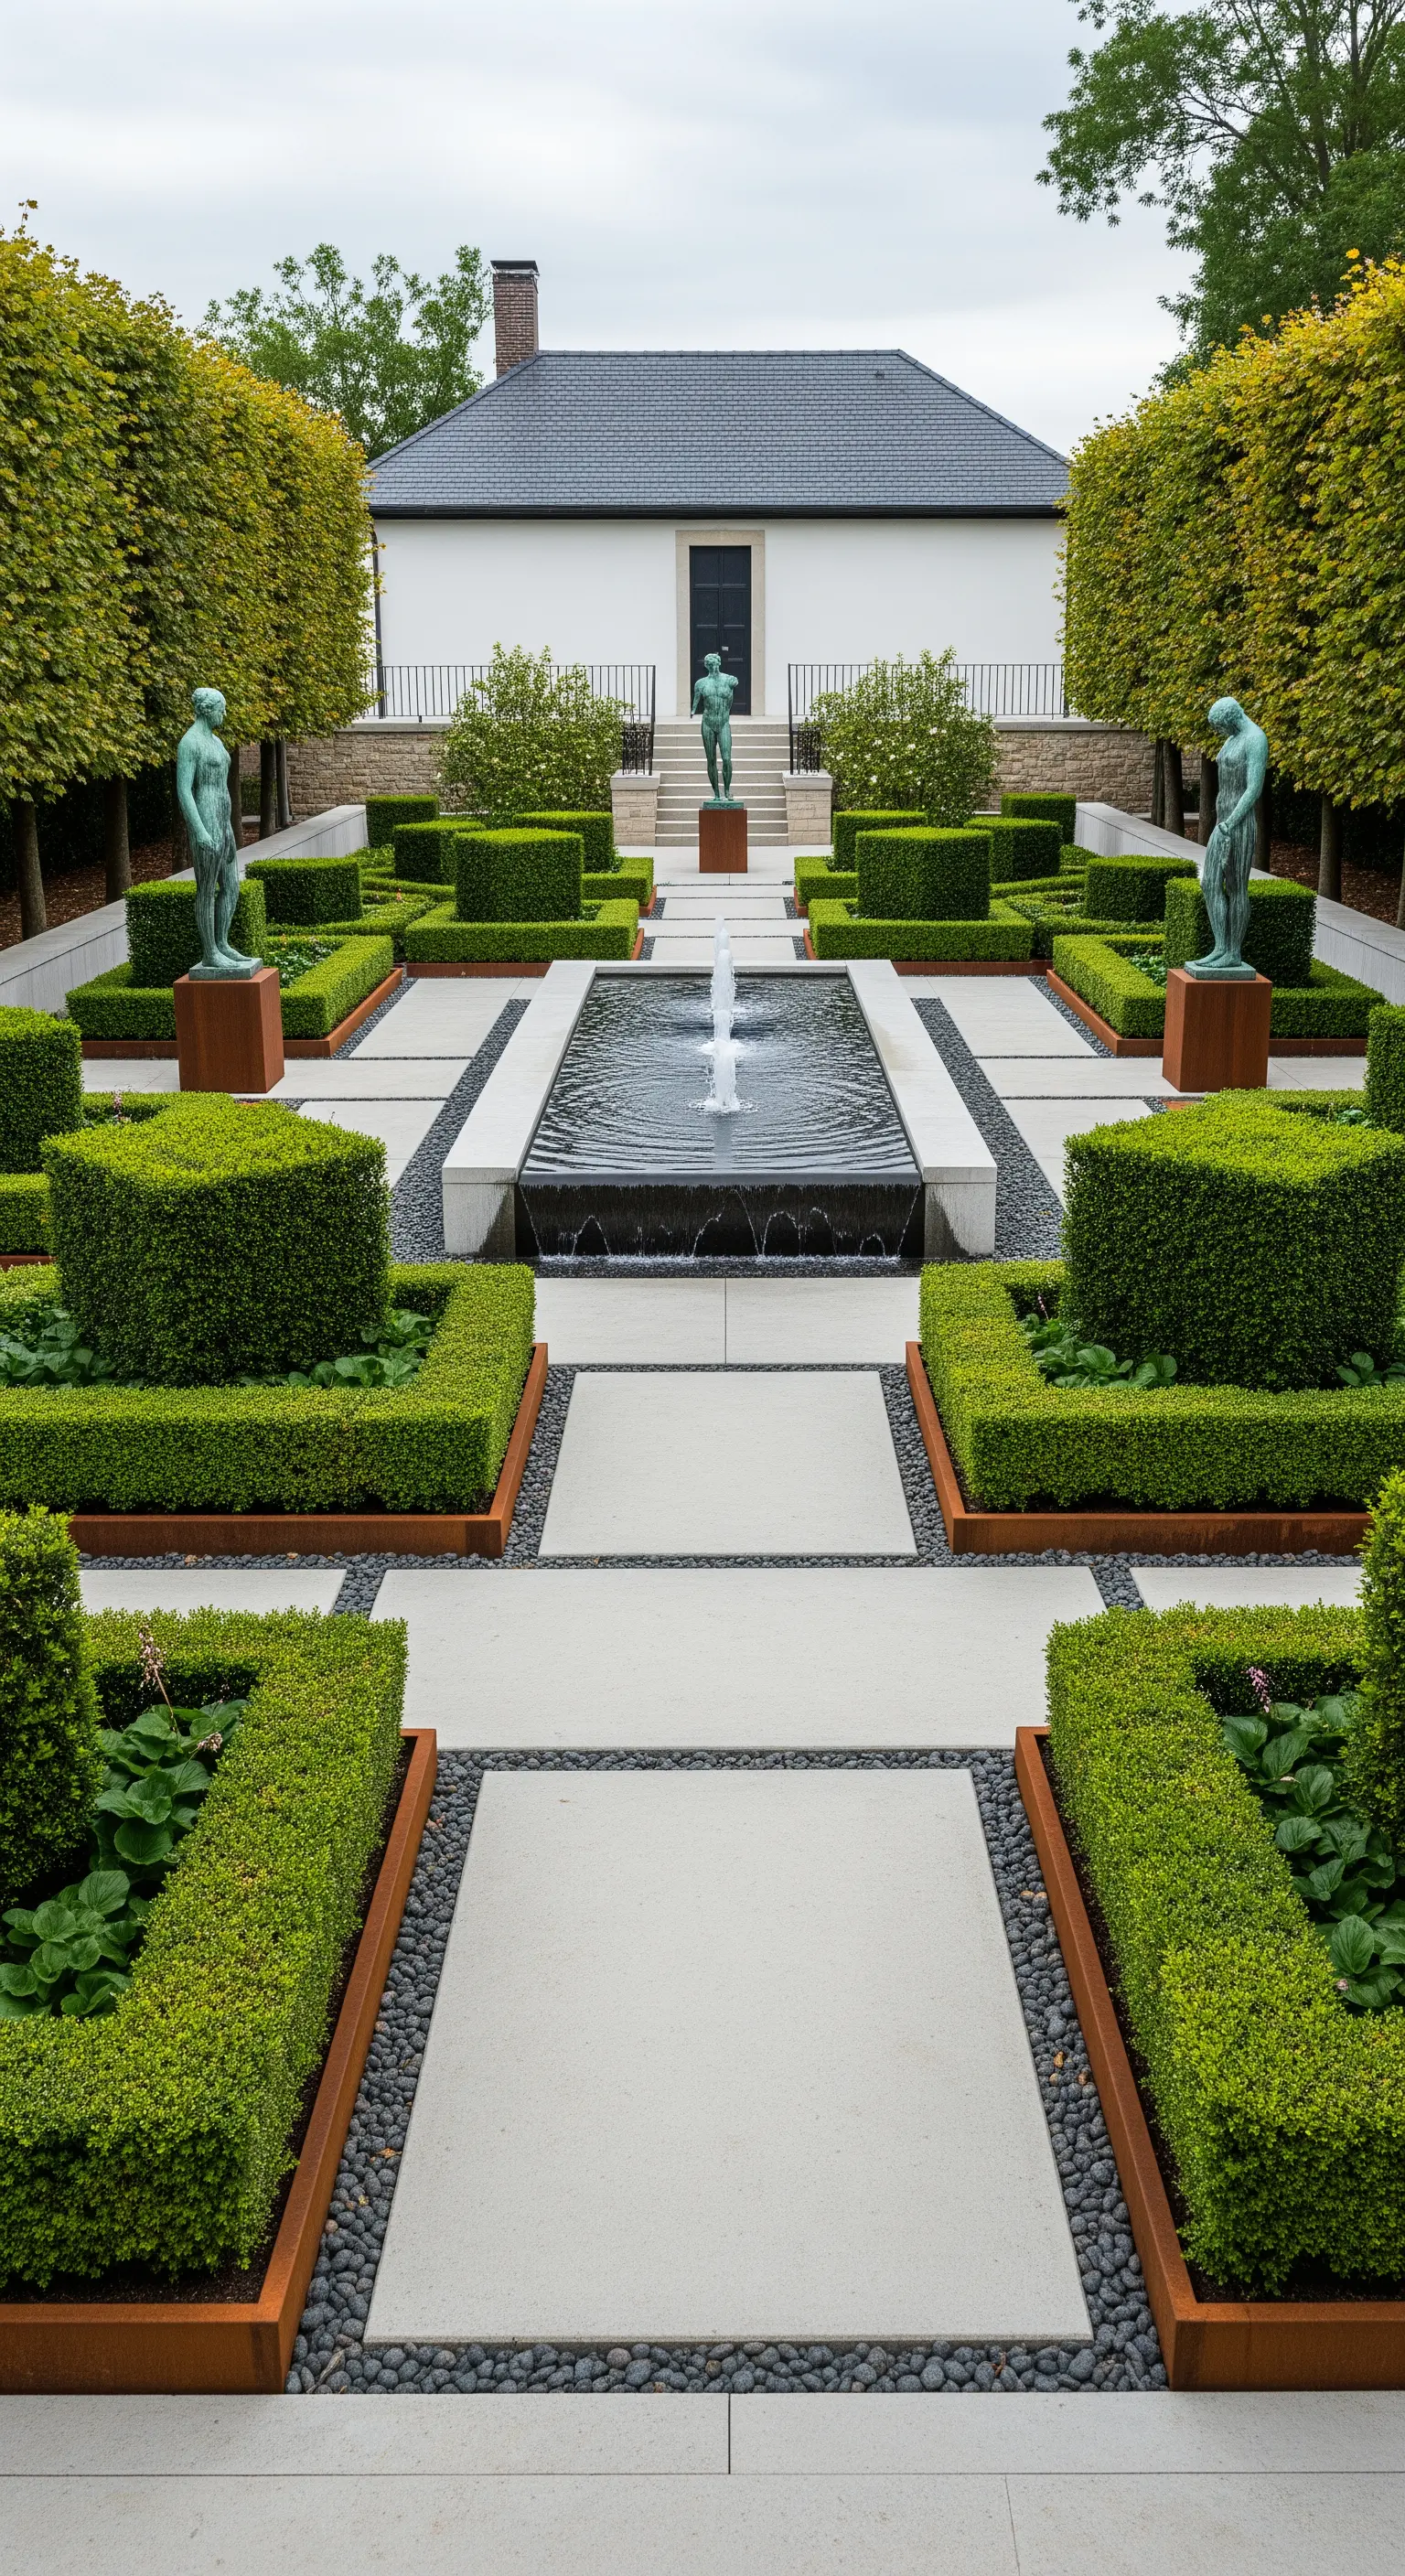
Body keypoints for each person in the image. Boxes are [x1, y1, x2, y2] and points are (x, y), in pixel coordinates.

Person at [176, 686, 260, 978]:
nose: (225, 713)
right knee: (207, 888)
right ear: (208, 709)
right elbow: (184, 790)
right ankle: (210, 952)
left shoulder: (215, 741)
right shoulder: (190, 743)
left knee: (231, 885)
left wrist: (227, 827)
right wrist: (198, 831)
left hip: (222, 819)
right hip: (206, 815)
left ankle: (222, 943)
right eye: (222, 708)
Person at [1186, 697, 1269, 979]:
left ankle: (1233, 953)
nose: (1219, 732)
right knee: (1210, 883)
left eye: (1220, 726)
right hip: (1223, 823)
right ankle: (1220, 948)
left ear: (1231, 718)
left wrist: (1232, 822)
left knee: (1236, 888)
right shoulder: (1232, 738)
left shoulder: (1256, 739)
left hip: (1239, 824)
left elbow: (1254, 788)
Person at [692, 652, 740, 807]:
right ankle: (716, 794)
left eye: (715, 664)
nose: (713, 667)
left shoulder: (729, 680)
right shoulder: (701, 683)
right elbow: (695, 703)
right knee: (711, 759)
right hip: (708, 723)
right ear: (706, 666)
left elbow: (734, 684)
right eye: (710, 665)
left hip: (724, 722)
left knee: (726, 758)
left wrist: (734, 684)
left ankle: (727, 791)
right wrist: (692, 712)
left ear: (719, 664)